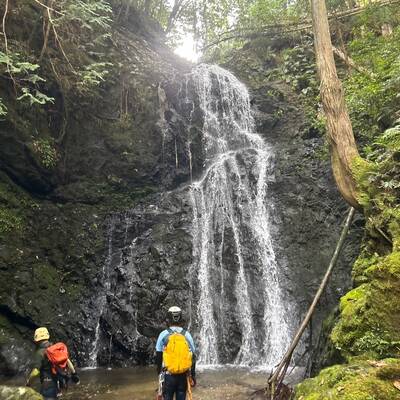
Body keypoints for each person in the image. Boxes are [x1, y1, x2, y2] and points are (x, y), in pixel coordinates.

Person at [26, 327, 80, 399]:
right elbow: (67, 360)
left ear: (36, 340)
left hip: (47, 384)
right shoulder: (55, 349)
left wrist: (29, 383)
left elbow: (35, 372)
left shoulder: (39, 353)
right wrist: (74, 374)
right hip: (58, 382)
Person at [155, 306, 196, 400]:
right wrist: (193, 376)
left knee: (167, 397)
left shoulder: (163, 335)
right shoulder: (187, 335)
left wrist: (159, 374)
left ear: (168, 319)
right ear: (181, 318)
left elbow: (158, 356)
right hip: (183, 376)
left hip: (168, 376)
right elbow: (193, 356)